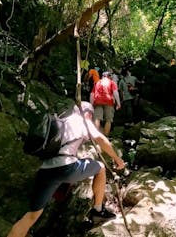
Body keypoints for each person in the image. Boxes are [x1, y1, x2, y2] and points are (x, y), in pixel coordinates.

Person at [7, 101, 125, 237]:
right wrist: (117, 159)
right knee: (101, 167)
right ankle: (98, 211)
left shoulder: (61, 122)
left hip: (45, 170)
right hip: (66, 168)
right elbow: (100, 138)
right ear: (87, 114)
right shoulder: (82, 121)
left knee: (32, 215)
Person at [90, 71, 121, 136]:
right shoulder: (112, 82)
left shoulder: (97, 82)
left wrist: (91, 104)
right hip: (109, 102)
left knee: (97, 118)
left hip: (98, 101)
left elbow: (92, 94)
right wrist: (118, 103)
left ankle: (96, 136)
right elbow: (115, 92)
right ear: (109, 76)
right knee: (108, 120)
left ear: (102, 76)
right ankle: (105, 136)